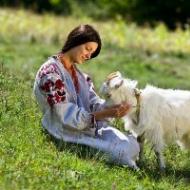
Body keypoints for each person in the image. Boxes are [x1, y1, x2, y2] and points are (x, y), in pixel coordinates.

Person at [33, 24, 140, 169]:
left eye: (92, 53)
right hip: (63, 132)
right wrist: (104, 114)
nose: (89, 56)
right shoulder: (51, 74)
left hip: (87, 128)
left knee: (132, 144)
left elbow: (93, 103)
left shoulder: (80, 76)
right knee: (122, 152)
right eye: (88, 49)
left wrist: (113, 104)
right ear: (76, 41)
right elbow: (64, 117)